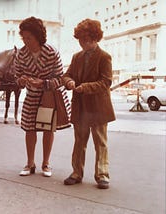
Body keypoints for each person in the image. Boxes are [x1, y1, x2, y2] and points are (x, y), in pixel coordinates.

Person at [62, 19, 116, 189]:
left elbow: (106, 82)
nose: (82, 42)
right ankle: (76, 172)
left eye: (86, 39)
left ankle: (102, 175)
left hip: (98, 107)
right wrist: (69, 81)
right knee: (79, 142)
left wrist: (85, 87)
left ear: (95, 38)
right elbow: (66, 75)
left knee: (100, 142)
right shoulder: (76, 57)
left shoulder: (104, 57)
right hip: (81, 107)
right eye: (80, 39)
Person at [15, 16, 68, 177]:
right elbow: (17, 76)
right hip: (31, 95)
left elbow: (61, 79)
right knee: (29, 129)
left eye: (29, 38)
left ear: (38, 36)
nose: (25, 41)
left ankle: (46, 164)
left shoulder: (52, 52)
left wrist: (43, 83)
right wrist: (21, 80)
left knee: (47, 128)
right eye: (23, 38)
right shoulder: (21, 54)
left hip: (48, 96)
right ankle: (30, 163)